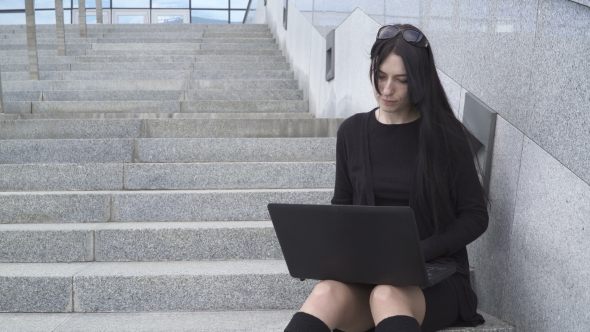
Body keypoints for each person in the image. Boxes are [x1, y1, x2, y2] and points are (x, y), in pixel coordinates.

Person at [283, 24, 489, 332]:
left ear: (419, 82)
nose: (386, 89)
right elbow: (342, 206)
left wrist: (421, 251)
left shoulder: (447, 136)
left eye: (401, 81)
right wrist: (333, 257)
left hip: (434, 278)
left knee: (386, 294)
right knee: (325, 292)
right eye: (381, 76)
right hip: (368, 274)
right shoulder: (352, 132)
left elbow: (475, 216)